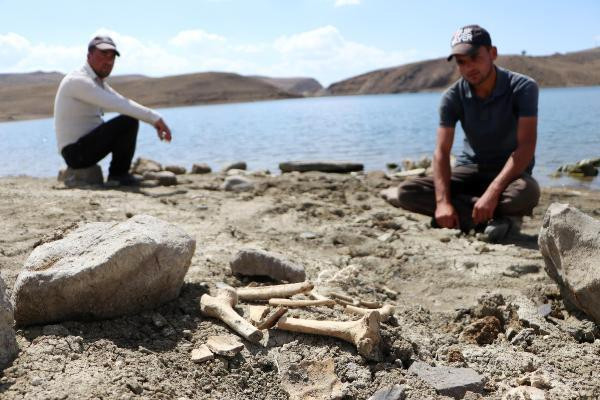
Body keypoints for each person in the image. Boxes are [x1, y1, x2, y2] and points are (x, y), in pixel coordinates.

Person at [381, 25, 540, 242]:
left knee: (527, 192)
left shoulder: (523, 87)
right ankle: (493, 219)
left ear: (493, 53)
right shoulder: (452, 96)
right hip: (470, 171)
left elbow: (526, 146)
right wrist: (443, 202)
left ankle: (472, 215)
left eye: (475, 57)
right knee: (408, 192)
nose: (469, 67)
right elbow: (441, 151)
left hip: (509, 174)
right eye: (461, 62)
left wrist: (492, 193)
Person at [54, 36, 172, 186]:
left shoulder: (96, 82)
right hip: (75, 153)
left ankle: (119, 174)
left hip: (83, 149)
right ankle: (118, 175)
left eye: (112, 57)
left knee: (128, 119)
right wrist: (155, 118)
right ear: (89, 55)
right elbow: (120, 104)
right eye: (103, 55)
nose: (108, 61)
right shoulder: (78, 80)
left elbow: (121, 100)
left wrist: (153, 118)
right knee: (128, 121)